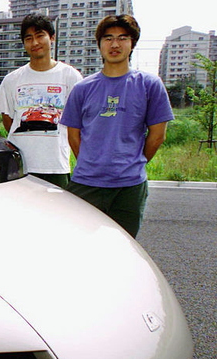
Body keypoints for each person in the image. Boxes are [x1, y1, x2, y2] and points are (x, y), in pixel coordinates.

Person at [60, 14, 172, 238]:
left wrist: (132, 163)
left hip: (129, 186)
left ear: (132, 44)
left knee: (125, 246)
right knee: (80, 243)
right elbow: (74, 135)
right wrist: (92, 163)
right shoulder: (82, 89)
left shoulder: (149, 85)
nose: (115, 44)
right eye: (108, 38)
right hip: (86, 183)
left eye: (123, 38)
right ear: (99, 44)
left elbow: (157, 135)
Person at [0, 13, 83, 187]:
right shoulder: (12, 79)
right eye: (28, 38)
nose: (34, 43)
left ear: (51, 38)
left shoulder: (70, 76)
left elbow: (79, 124)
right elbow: (8, 121)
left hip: (56, 167)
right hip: (20, 167)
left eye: (40, 35)